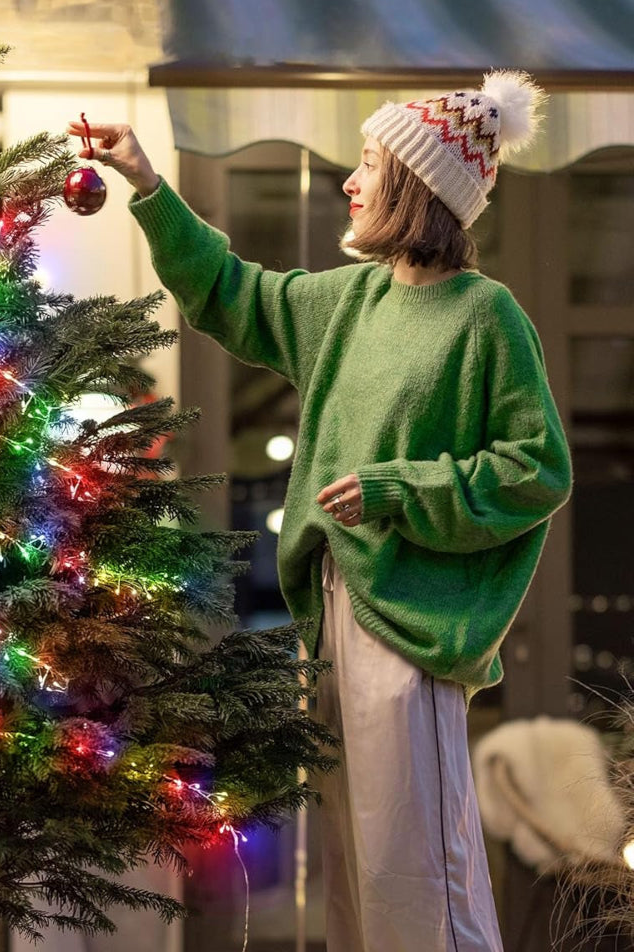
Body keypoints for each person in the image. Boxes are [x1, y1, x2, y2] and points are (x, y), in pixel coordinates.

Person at [69, 70, 573, 952]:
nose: (351, 180)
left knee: (416, 870)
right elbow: (228, 290)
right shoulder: (349, 302)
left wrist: (400, 489)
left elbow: (536, 470)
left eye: (371, 165)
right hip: (336, 609)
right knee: (357, 868)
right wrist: (147, 185)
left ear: (417, 191)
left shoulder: (487, 318)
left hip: (413, 625)